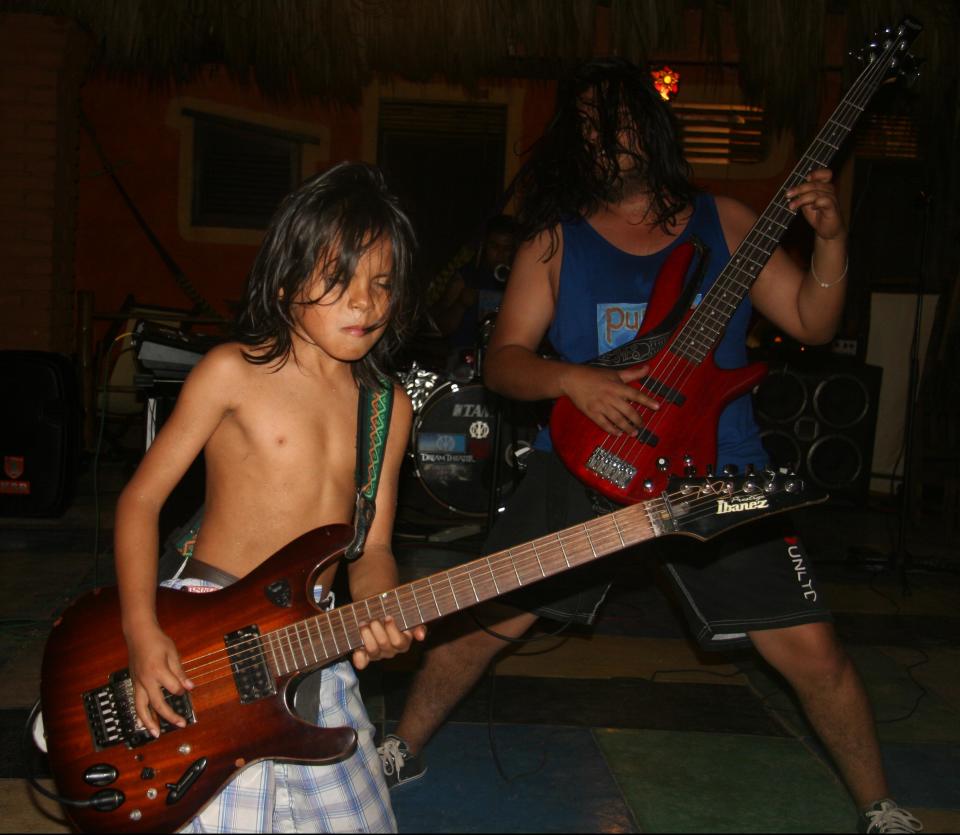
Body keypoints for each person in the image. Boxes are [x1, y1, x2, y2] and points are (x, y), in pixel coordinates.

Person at [377, 59, 923, 835]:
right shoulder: (553, 241)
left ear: (653, 126)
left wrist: (830, 242)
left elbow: (811, 321)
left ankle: (881, 805)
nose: (608, 136)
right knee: (483, 617)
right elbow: (504, 359)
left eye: (622, 119)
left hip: (718, 463)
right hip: (585, 455)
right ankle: (402, 744)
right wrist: (573, 381)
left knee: (813, 650)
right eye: (592, 124)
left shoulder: (727, 221)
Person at [114, 162, 427, 833]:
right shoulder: (233, 373)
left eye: (381, 284)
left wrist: (377, 608)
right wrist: (143, 633)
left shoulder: (387, 408)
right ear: (285, 282)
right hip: (207, 644)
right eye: (338, 279)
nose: (365, 303)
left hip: (316, 645)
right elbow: (140, 502)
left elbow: (371, 546)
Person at [430, 214, 518, 378]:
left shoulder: (521, 282)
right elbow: (440, 328)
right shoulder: (465, 278)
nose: (500, 254)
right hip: (463, 366)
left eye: (507, 249)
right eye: (495, 247)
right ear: (484, 245)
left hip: (503, 367)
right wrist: (461, 304)